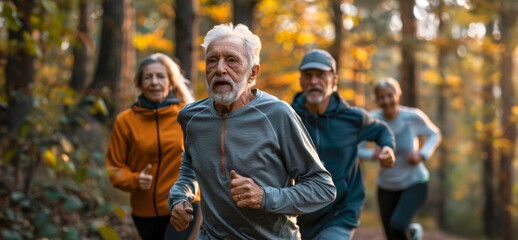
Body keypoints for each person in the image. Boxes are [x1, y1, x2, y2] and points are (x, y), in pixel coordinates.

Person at [168, 23, 336, 239]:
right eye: (212, 60)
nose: (220, 69)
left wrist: (264, 197)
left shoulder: (277, 114)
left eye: (232, 60)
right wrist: (180, 198)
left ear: (252, 73)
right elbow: (189, 167)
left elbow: (323, 188)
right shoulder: (191, 117)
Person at [291, 49, 396, 240]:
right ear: (301, 81)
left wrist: (388, 149)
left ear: (334, 80)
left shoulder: (352, 118)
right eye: (308, 75)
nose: (314, 82)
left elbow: (381, 130)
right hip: (300, 214)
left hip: (341, 211)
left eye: (321, 75)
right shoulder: (288, 118)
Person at [105, 53, 201, 240]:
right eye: (148, 77)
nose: (154, 82)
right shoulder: (125, 121)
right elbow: (114, 168)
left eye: (160, 76)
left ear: (171, 83)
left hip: (183, 205)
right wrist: (134, 180)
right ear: (140, 84)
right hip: (144, 212)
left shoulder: (188, 115)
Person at [358, 77, 441, 240]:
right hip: (386, 186)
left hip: (415, 182)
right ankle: (412, 234)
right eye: (381, 97)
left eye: (390, 95)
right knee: (392, 235)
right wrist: (372, 155)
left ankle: (411, 232)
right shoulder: (372, 120)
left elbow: (434, 134)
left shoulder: (412, 116)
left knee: (397, 225)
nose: (386, 101)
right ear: (377, 100)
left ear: (398, 95)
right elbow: (356, 148)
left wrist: (422, 154)